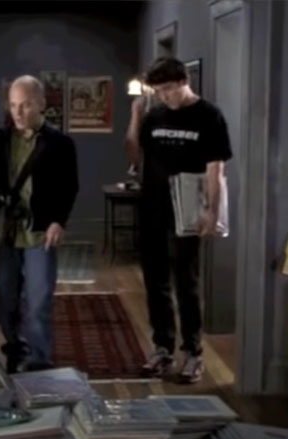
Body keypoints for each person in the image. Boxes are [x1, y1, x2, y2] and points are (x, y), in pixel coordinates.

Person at [125, 57, 232, 384]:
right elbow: (134, 156)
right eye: (158, 91)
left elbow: (216, 169)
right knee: (155, 281)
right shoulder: (154, 115)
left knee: (186, 282)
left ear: (185, 81)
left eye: (169, 89)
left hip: (187, 208)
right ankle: (162, 348)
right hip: (153, 206)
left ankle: (193, 352)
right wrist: (135, 116)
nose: (164, 96)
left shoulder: (209, 115)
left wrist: (212, 212)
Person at [0, 75, 79, 373]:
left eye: (26, 105)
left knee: (38, 299)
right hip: (4, 231)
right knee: (6, 299)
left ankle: (38, 360)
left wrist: (58, 221)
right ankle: (15, 348)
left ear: (41, 104)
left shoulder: (60, 143)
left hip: (39, 232)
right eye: (14, 105)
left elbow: (69, 187)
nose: (18, 112)